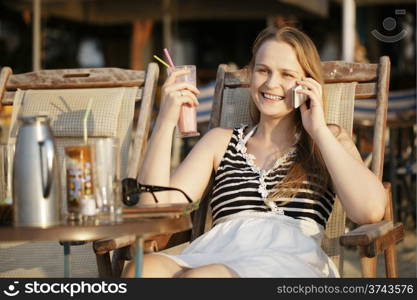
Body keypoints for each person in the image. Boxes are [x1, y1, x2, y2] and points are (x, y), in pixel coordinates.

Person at [122, 26, 386, 278]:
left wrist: (317, 129)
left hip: (286, 260)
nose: (271, 83)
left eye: (287, 74)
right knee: (141, 269)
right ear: (251, 75)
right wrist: (166, 120)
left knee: (202, 278)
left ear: (307, 84)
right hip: (215, 253)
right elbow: (155, 209)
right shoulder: (220, 142)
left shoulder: (328, 140)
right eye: (263, 70)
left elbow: (369, 212)